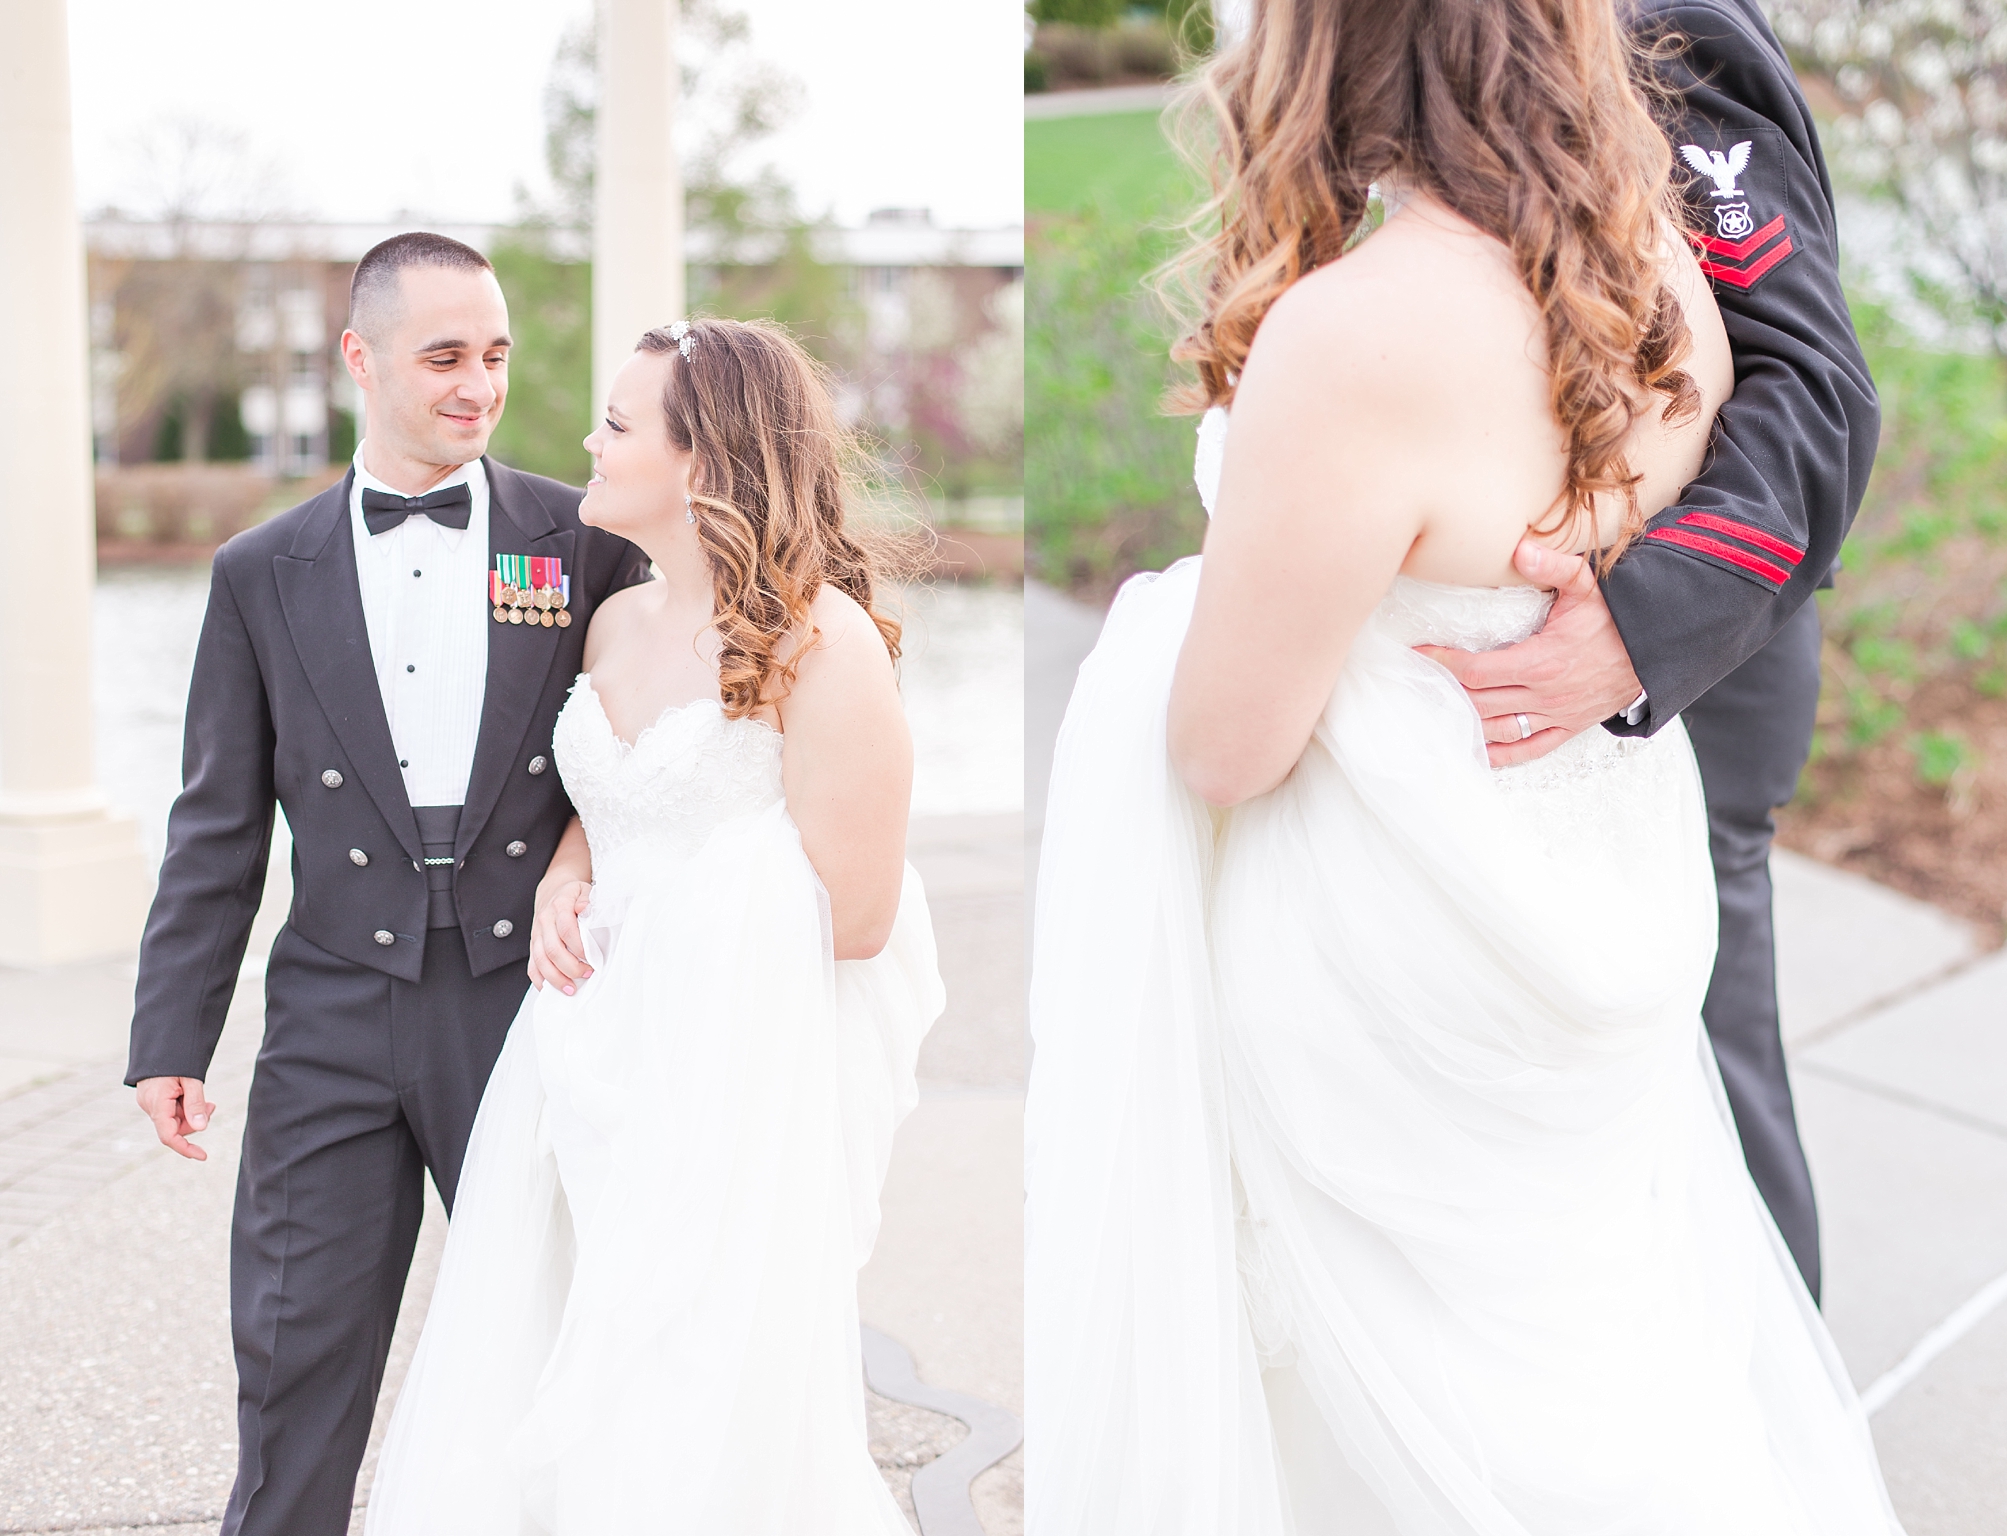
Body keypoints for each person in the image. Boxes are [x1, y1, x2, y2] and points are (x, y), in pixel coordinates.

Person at [1025, 1, 1902, 1531]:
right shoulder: (1658, 293)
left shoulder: (1366, 327)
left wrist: (1178, 617)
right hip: (1585, 862)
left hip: (1454, 882)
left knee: (1561, 1270)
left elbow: (1225, 747)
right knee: (1618, 1279)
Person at [365, 317, 943, 1533]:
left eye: (618, 423)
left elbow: (858, 915)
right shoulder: (613, 620)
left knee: (690, 1361)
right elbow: (621, 799)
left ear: (702, 460)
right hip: (583, 1056)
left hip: (730, 1073)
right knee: (557, 1332)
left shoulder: (816, 639)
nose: (586, 436)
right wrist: (569, 869)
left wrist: (676, 921)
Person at [126, 232, 653, 1536]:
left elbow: (638, 757)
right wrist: (170, 1034)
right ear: (359, 358)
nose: (479, 385)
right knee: (297, 1352)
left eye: (494, 355)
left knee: (560, 1351)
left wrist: (579, 869)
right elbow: (217, 823)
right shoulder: (261, 570)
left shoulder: (581, 540)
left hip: (530, 1001)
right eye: (444, 357)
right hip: (333, 1013)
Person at [1420, 0, 1876, 1304]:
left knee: (1705, 1083)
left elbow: (1811, 378)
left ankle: (1780, 1458)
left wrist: (1637, 631)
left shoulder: (1661, 29)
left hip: (1683, 679)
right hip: (1516, 671)